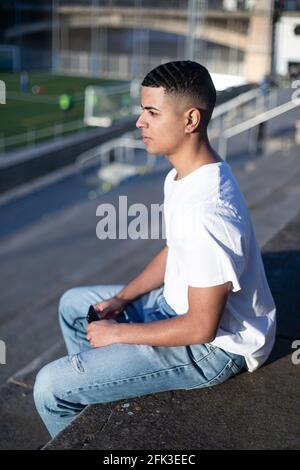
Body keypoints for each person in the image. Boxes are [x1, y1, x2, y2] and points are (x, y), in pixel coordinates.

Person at [34, 61, 276, 438]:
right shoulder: (182, 175)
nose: (139, 122)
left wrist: (117, 335)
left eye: (151, 112)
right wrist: (121, 298)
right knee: (73, 306)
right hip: (174, 304)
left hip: (217, 348)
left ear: (190, 119)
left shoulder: (209, 210)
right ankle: (105, 390)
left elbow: (201, 327)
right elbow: (174, 251)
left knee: (50, 388)